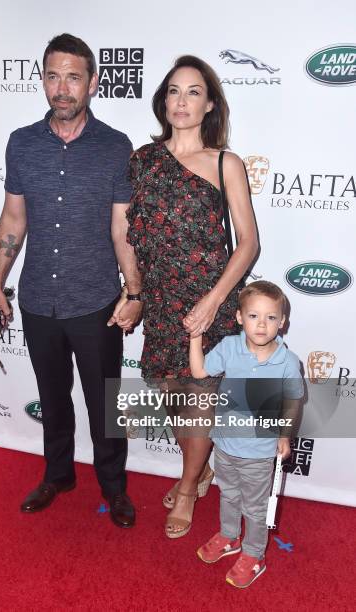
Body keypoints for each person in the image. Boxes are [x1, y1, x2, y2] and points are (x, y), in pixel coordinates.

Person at [0, 33, 142, 528]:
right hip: (37, 300)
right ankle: (58, 474)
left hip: (96, 300)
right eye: (53, 76)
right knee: (52, 397)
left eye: (73, 76)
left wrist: (133, 291)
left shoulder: (117, 147)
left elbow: (123, 229)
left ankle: (114, 488)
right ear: (43, 81)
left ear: (92, 83)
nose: (62, 87)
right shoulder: (22, 143)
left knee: (104, 404)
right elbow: (13, 219)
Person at [126, 55, 258, 538]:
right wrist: (133, 292)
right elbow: (133, 234)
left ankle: (186, 488)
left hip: (212, 302)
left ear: (209, 105)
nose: (181, 101)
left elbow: (247, 243)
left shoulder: (226, 163)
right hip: (161, 302)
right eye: (174, 91)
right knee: (174, 401)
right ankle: (199, 470)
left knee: (200, 402)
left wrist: (213, 300)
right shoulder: (143, 159)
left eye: (193, 92)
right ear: (164, 101)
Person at [191, 281, 303, 588]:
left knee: (254, 507)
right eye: (254, 316)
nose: (262, 324)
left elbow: (293, 401)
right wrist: (195, 336)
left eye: (271, 317)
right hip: (225, 444)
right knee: (227, 495)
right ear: (240, 317)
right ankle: (229, 537)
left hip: (259, 452)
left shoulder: (288, 362)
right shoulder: (229, 347)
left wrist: (284, 435)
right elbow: (200, 371)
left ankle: (255, 554)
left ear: (282, 323)